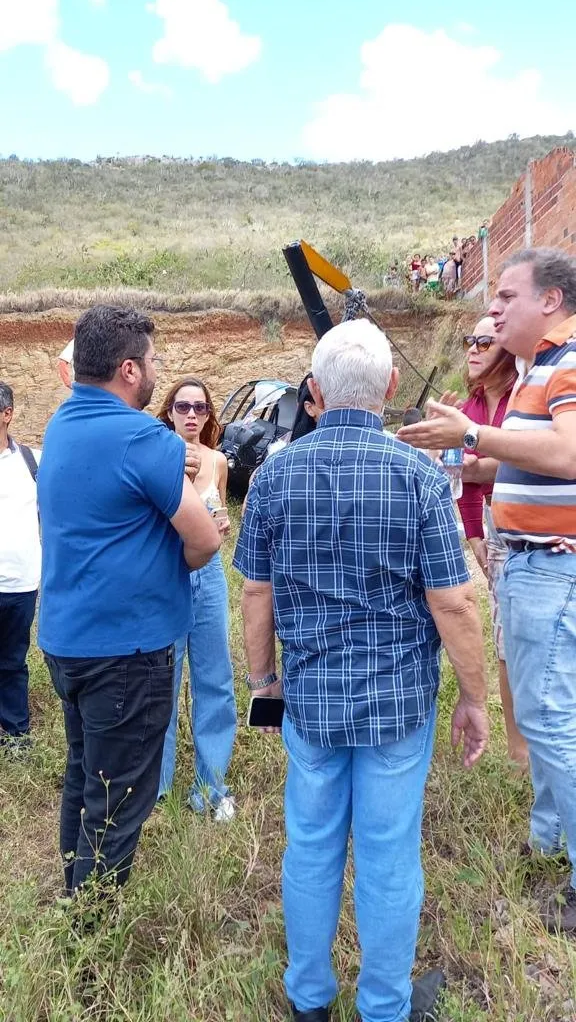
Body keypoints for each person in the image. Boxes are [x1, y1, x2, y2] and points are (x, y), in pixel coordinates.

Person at [234, 319, 489, 1022]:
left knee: (310, 845)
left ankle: (309, 998)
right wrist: (475, 697)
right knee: (388, 853)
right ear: (392, 387)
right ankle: (383, 1006)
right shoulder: (419, 476)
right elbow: (454, 602)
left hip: (310, 699)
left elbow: (256, 591)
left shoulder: (275, 474)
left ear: (312, 391)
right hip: (398, 706)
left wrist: (263, 685)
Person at [397, 247, 576, 933]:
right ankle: (546, 840)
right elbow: (539, 466)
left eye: (505, 296)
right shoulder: (541, 371)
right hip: (532, 563)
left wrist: (472, 432)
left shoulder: (565, 364)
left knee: (550, 719)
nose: (493, 310)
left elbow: (567, 455)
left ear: (551, 300)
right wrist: (470, 452)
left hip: (549, 571)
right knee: (550, 715)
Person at [38, 306, 221, 896]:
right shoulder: (140, 437)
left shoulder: (61, 425)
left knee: (83, 780)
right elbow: (205, 537)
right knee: (116, 807)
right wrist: (170, 567)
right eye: (152, 361)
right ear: (128, 370)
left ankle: (74, 899)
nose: (156, 369)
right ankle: (93, 948)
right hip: (127, 652)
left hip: (67, 642)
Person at [156, 377, 237, 821]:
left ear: (208, 416)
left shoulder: (218, 461)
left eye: (200, 408)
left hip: (208, 578)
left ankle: (210, 787)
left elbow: (218, 520)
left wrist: (219, 527)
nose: (191, 414)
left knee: (215, 680)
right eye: (183, 406)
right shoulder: (157, 458)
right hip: (167, 576)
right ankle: (157, 788)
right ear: (169, 411)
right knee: (162, 683)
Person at [457, 318, 528, 767]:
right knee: (506, 643)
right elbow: (461, 477)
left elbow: (530, 458)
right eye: (470, 340)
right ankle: (519, 752)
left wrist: (481, 465)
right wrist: (475, 535)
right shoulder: (471, 404)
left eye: (486, 340)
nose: (474, 348)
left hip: (537, 525)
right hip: (495, 528)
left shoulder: (527, 396)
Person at [0, 383, 41, 746]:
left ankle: (15, 734)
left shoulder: (32, 461)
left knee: (13, 660)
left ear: (7, 414)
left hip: (20, 583)